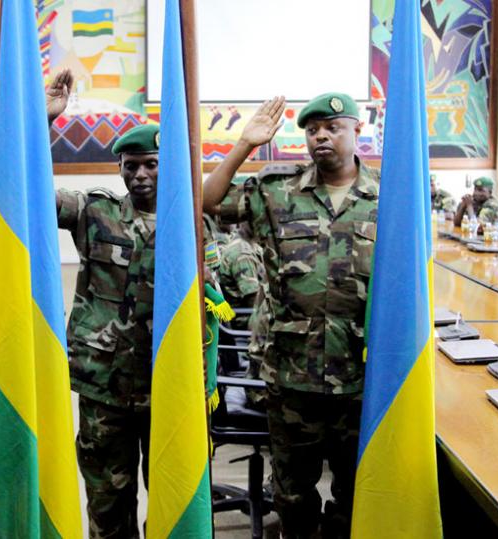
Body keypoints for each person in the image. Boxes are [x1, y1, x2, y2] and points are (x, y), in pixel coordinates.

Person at [203, 93, 379, 537]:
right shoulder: (275, 191)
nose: (320, 135)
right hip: (290, 374)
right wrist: (243, 145)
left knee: (355, 491)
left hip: (360, 375)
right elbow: (206, 201)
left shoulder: (387, 196)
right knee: (293, 493)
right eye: (312, 129)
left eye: (333, 126)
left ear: (358, 130)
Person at [47, 65, 158, 539]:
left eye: (151, 162)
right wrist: (45, 120)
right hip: (104, 390)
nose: (140, 174)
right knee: (108, 510)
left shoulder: (197, 222)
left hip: (168, 384)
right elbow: (28, 193)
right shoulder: (96, 212)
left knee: (174, 500)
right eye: (130, 165)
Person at [218, 221, 264, 329]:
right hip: (244, 318)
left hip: (250, 313)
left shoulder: (250, 244)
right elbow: (253, 299)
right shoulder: (242, 254)